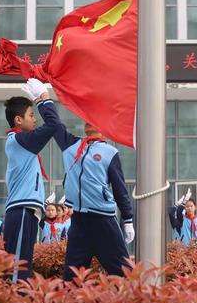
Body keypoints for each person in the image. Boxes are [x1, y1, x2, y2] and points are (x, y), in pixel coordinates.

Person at [45, 104, 135, 281]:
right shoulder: (71, 145)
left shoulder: (110, 152)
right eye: (87, 119)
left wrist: (128, 219)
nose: (88, 122)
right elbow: (55, 124)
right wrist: (43, 100)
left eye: (94, 119)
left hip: (104, 222)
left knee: (123, 274)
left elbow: (119, 189)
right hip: (79, 222)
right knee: (72, 277)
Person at [3, 78, 58, 283]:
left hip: (25, 212)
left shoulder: (20, 142)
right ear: (18, 120)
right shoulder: (19, 141)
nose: (35, 120)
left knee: (22, 267)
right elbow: (53, 124)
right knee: (18, 270)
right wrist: (43, 97)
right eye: (31, 115)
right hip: (22, 211)